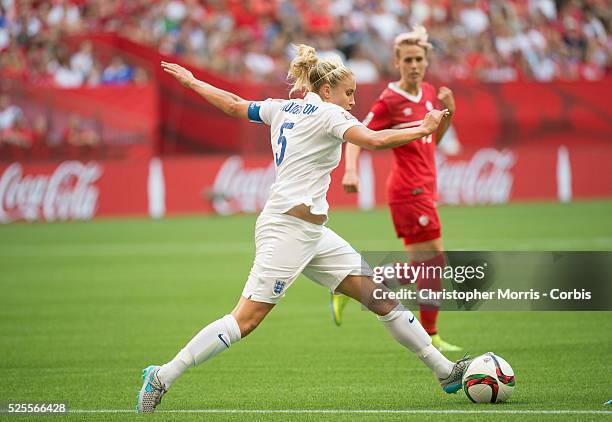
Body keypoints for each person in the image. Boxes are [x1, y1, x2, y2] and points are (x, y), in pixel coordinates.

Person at [137, 45, 469, 413]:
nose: (353, 101)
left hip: (312, 233)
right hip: (287, 231)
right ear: (327, 91)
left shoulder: (283, 107)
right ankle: (162, 376)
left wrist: (194, 81)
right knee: (245, 320)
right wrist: (421, 127)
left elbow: (234, 104)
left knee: (380, 297)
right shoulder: (329, 115)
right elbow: (374, 140)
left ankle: (445, 372)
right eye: (348, 93)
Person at [333, 26, 462, 352]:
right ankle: (428, 333)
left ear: (426, 60)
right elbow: (357, 132)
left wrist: (450, 113)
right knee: (433, 263)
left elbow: (434, 140)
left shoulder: (431, 92)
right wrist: (350, 170)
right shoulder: (390, 100)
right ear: (397, 62)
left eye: (419, 58)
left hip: (425, 186)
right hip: (408, 190)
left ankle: (354, 286)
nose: (414, 65)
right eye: (408, 59)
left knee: (429, 265)